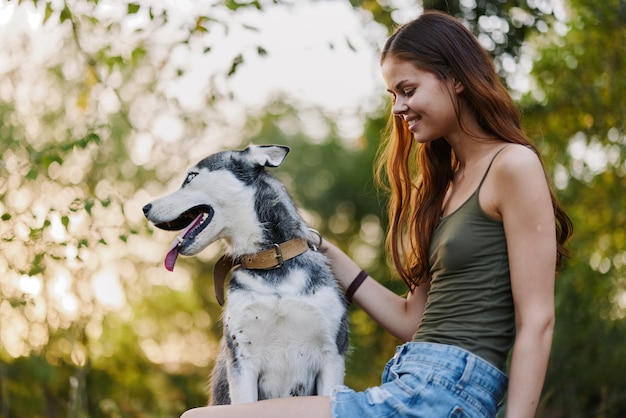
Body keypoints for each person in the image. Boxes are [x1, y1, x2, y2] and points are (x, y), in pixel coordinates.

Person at [181, 10, 573, 418]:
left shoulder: (512, 165)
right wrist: (319, 248)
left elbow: (538, 322)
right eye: (392, 95)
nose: (398, 108)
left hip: (446, 391)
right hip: (409, 382)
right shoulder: (446, 187)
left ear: (456, 78)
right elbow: (410, 320)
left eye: (408, 89)